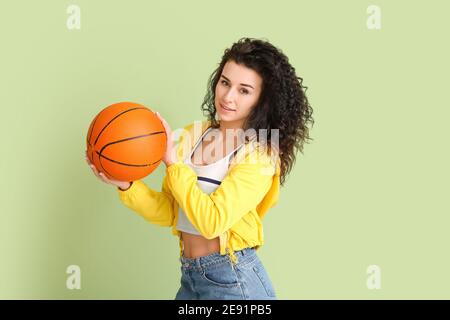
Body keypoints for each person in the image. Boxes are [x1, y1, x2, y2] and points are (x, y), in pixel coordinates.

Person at [85, 37, 314, 300]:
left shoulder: (261, 154)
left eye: (244, 90)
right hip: (191, 276)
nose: (227, 97)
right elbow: (172, 212)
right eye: (225, 83)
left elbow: (212, 222)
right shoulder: (193, 136)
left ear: (262, 99)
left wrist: (172, 164)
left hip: (234, 281)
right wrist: (126, 184)